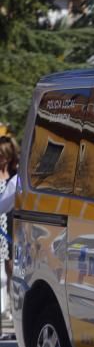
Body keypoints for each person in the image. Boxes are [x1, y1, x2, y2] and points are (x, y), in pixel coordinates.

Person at [0, 135, 19, 320]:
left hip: (11, 225)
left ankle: (14, 312)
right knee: (2, 275)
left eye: (2, 154)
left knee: (12, 270)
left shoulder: (15, 176)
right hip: (0, 226)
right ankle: (3, 311)